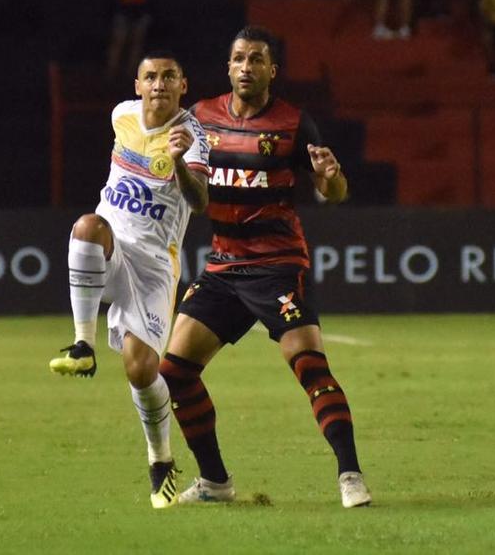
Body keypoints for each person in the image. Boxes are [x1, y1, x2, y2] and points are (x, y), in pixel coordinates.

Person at [158, 26, 372, 509]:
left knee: (310, 365)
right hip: (223, 265)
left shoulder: (293, 123)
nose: (246, 67)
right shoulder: (201, 118)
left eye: (256, 59)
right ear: (228, 67)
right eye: (239, 58)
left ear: (272, 71)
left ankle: (351, 475)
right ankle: (215, 482)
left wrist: (331, 179)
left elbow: (333, 193)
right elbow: (193, 190)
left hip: (278, 265)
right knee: (173, 372)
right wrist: (176, 166)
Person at [48, 51, 210, 510]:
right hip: (114, 247)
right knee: (87, 227)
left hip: (155, 267)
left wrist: (178, 162)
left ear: (183, 86)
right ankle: (83, 345)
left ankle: (161, 460)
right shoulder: (122, 115)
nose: (159, 84)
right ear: (138, 86)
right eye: (150, 77)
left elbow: (199, 203)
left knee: (141, 371)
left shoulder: (192, 136)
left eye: (169, 77)